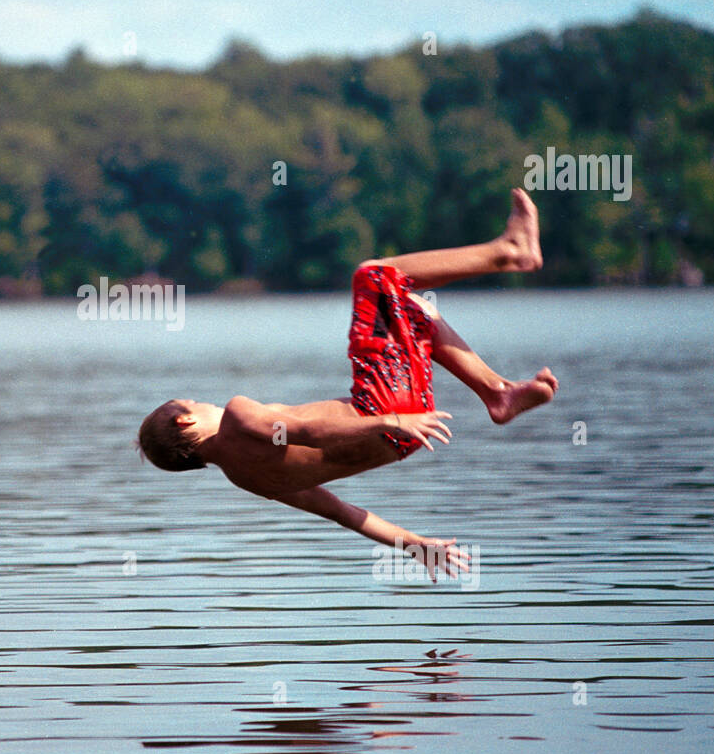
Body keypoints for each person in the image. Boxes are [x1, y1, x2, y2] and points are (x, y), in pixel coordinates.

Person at [137, 189, 559, 580]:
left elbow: (340, 512)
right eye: (192, 401)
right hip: (385, 411)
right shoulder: (237, 417)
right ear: (182, 422)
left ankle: (497, 393)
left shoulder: (247, 479)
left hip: (404, 439)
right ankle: (508, 252)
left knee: (407, 307)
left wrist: (414, 544)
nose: (204, 401)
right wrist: (388, 419)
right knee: (373, 276)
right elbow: (308, 432)